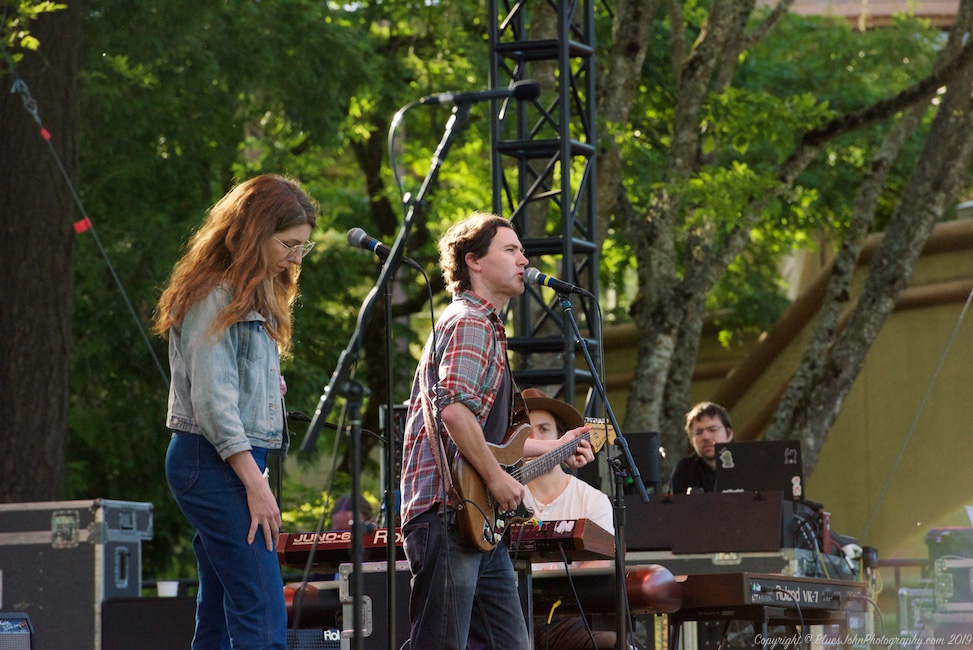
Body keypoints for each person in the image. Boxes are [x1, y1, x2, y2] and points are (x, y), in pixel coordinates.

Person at [398, 212, 595, 649]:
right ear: (474, 261)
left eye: (522, 251)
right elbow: (453, 411)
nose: (524, 260)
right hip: (449, 512)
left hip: (476, 518)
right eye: (510, 250)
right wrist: (495, 478)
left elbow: (495, 442)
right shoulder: (470, 321)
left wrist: (556, 447)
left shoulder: (484, 325)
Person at [154, 174, 318, 649]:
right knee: (262, 607)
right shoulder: (214, 295)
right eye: (289, 244)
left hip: (230, 460)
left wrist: (267, 384)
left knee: (221, 614)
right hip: (213, 461)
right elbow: (212, 402)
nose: (296, 258)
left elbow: (229, 382)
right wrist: (256, 484)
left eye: (303, 247)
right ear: (253, 232)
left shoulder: (251, 294)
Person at [521, 388, 615, 650]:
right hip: (510, 610)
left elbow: (599, 567)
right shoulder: (503, 495)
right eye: (525, 432)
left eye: (543, 429)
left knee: (606, 643)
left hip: (568, 615)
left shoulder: (593, 500)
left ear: (561, 438)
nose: (535, 438)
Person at [669, 401, 734, 494]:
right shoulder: (685, 469)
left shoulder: (748, 464)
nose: (705, 437)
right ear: (691, 439)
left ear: (729, 433)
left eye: (713, 429)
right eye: (698, 432)